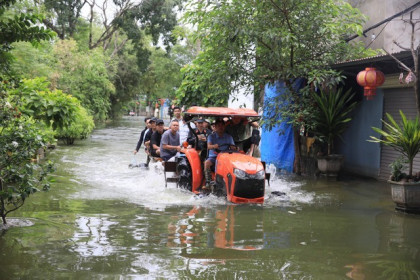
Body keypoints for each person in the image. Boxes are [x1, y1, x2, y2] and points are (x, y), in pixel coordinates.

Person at [204, 119, 235, 188]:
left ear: (224, 127)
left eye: (222, 126)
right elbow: (209, 146)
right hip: (214, 157)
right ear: (215, 127)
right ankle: (208, 182)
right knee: (207, 163)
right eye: (219, 126)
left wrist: (233, 147)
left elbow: (233, 146)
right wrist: (214, 146)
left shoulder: (229, 137)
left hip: (225, 158)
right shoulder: (211, 136)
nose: (221, 127)